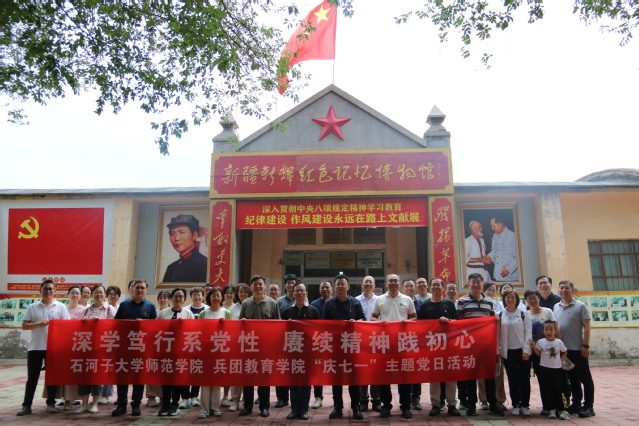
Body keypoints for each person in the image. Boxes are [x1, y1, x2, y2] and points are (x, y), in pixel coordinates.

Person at [17, 280, 71, 416]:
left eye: (51, 289)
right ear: (40, 291)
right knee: (32, 378)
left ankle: (51, 403)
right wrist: (39, 323)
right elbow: (24, 326)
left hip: (54, 347)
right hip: (35, 347)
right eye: (45, 289)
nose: (48, 291)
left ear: (55, 291)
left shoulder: (61, 307)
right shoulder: (32, 307)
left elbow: (67, 327)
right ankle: (26, 405)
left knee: (52, 377)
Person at [456, 273, 504, 416]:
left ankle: (492, 404)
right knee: (471, 376)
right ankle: (471, 405)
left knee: (489, 375)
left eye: (478, 282)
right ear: (468, 284)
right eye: (473, 282)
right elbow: (458, 323)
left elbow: (492, 323)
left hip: (486, 345)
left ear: (482, 284)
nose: (476, 284)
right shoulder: (462, 301)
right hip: (469, 345)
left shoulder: (489, 302)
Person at [372, 273, 417, 419]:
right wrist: (381, 323)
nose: (393, 283)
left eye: (395, 281)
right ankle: (386, 406)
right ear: (386, 284)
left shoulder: (407, 299)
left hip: (403, 343)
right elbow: (373, 317)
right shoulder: (379, 299)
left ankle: (405, 406)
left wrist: (407, 323)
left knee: (404, 376)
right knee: (385, 376)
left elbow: (414, 317)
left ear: (399, 283)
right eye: (390, 281)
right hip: (385, 343)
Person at [416, 277, 461, 417]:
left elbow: (456, 322)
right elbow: (420, 326)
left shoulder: (449, 304)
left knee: (450, 376)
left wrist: (448, 321)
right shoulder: (424, 305)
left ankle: (452, 404)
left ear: (443, 288)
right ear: (430, 288)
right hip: (432, 347)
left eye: (438, 285)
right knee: (434, 376)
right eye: (433, 285)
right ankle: (435, 404)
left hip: (449, 345)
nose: (436, 287)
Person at [112, 279, 157, 417]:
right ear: (133, 289)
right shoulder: (124, 305)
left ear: (146, 290)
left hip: (141, 348)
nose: (140, 290)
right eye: (137, 287)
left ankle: (136, 405)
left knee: (139, 377)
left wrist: (144, 324)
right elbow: (116, 324)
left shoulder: (150, 306)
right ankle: (121, 404)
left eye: (142, 288)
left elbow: (155, 328)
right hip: (124, 347)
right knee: (122, 376)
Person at [323, 273, 365, 420]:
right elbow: (325, 324)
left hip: (352, 346)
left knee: (353, 379)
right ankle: (338, 408)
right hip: (335, 347)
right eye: (338, 284)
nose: (340, 286)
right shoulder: (329, 304)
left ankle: (356, 408)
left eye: (343, 284)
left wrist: (356, 322)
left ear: (348, 287)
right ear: (335, 287)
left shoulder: (355, 302)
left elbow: (363, 319)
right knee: (337, 379)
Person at [239, 275, 280, 418]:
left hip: (265, 347)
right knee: (248, 378)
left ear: (265, 286)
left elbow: (277, 325)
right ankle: (247, 407)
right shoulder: (246, 303)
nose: (258, 286)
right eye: (255, 284)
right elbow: (240, 325)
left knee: (264, 378)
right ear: (251, 287)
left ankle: (264, 407)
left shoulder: (272, 303)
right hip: (249, 346)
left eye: (260, 284)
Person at [554, 280, 595, 418]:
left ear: (572, 290)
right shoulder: (556, 306)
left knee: (585, 378)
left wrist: (586, 345)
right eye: (561, 288)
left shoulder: (580, 306)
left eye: (567, 288)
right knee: (572, 379)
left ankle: (589, 406)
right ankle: (576, 403)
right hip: (564, 351)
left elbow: (587, 326)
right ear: (558, 290)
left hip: (578, 349)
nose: (564, 290)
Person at [75, 284, 116, 414]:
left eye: (101, 292)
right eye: (96, 292)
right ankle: (84, 404)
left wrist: (101, 322)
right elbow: (79, 327)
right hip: (86, 346)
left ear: (105, 295)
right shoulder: (87, 309)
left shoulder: (109, 309)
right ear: (92, 295)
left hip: (101, 347)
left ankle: (95, 404)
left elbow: (114, 326)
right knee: (84, 376)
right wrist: (83, 321)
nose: (98, 294)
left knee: (97, 376)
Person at [282, 282, 320, 420]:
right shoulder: (287, 311)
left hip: (307, 352)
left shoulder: (313, 311)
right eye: (297, 291)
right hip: (292, 351)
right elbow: (282, 332)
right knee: (293, 382)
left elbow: (318, 331)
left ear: (306, 294)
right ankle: (294, 409)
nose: (299, 293)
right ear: (293, 294)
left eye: (302, 291)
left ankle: (304, 409)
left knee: (305, 382)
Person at [156, 288, 194, 416]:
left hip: (180, 353)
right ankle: (165, 404)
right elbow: (156, 331)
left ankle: (175, 404)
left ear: (184, 299)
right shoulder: (163, 313)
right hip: (165, 352)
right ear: (171, 298)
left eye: (181, 296)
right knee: (166, 380)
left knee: (177, 380)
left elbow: (192, 333)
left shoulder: (188, 314)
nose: (178, 299)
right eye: (176, 296)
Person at [198, 287, 232, 418]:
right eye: (213, 296)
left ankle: (215, 408)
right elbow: (198, 332)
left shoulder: (226, 313)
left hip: (220, 351)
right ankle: (204, 409)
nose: (216, 298)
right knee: (205, 382)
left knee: (217, 381)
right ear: (209, 298)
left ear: (222, 298)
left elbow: (231, 331)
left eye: (218, 296)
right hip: (206, 351)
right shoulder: (203, 313)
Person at [524, 289, 559, 415]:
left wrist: (558, 346)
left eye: (535, 298)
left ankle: (557, 405)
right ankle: (546, 406)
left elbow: (556, 329)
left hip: (548, 352)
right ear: (526, 301)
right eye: (529, 298)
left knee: (552, 379)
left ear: (539, 298)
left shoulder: (547, 311)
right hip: (533, 352)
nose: (532, 300)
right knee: (542, 380)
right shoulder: (525, 314)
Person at [499, 289, 532, 416]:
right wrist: (499, 350)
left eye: (512, 297)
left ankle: (525, 405)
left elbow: (528, 333)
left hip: (522, 351)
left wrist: (526, 350)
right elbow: (498, 335)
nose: (510, 299)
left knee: (524, 378)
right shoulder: (500, 314)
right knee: (512, 379)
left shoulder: (523, 314)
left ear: (516, 299)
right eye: (507, 297)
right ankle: (516, 404)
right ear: (504, 299)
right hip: (508, 352)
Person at [531, 321, 570, 420]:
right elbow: (538, 353)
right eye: (546, 329)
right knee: (547, 389)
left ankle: (562, 409)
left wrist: (561, 361)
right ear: (543, 331)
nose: (549, 332)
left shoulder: (559, 342)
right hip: (544, 369)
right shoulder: (541, 342)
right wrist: (533, 346)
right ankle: (551, 409)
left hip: (557, 370)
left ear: (555, 331)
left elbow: (565, 352)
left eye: (551, 329)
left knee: (559, 389)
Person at [355, 276, 380, 413]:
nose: (368, 284)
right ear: (362, 285)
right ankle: (363, 400)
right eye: (366, 282)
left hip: (377, 340)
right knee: (362, 371)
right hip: (360, 341)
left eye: (371, 282)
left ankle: (376, 400)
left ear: (374, 285)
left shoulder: (380, 300)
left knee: (376, 371)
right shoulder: (355, 301)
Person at [275, 273, 300, 409]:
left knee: (296, 369)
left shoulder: (303, 299)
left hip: (298, 340)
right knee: (282, 369)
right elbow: (277, 320)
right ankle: (282, 398)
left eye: (293, 283)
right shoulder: (279, 301)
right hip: (282, 339)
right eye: (288, 283)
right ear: (285, 285)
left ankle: (296, 398)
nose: (291, 285)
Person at [181, 286, 208, 408]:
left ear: (203, 296)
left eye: (199, 295)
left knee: (196, 371)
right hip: (187, 345)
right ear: (191, 297)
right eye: (194, 295)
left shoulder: (207, 310)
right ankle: (185, 398)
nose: (197, 297)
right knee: (185, 372)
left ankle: (194, 397)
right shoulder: (186, 310)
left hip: (201, 346)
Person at [162, 214, 207, 282]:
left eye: (182, 232)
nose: (176, 238)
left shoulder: (204, 264)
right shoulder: (171, 267)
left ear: (194, 235)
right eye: (172, 234)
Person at [310, 280, 333, 409]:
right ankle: (318, 397)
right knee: (317, 370)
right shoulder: (314, 304)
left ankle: (337, 398)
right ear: (319, 290)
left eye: (327, 287)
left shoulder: (336, 302)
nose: (325, 289)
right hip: (318, 341)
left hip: (335, 342)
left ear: (331, 289)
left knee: (335, 369)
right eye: (322, 287)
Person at [401, 278, 423, 411]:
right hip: (402, 341)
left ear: (415, 288)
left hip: (416, 341)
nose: (409, 288)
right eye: (407, 286)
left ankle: (416, 398)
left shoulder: (421, 303)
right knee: (403, 370)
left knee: (416, 370)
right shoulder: (399, 300)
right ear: (403, 289)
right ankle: (404, 399)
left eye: (411, 286)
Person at [100, 285, 122, 404]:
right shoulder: (103, 307)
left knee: (113, 369)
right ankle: (100, 393)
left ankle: (107, 394)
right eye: (110, 294)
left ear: (119, 296)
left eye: (115, 294)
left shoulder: (121, 308)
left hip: (116, 342)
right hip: (103, 341)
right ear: (106, 295)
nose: (113, 296)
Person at [485, 216, 519, 281]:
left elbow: (518, 257)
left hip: (511, 278)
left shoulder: (513, 236)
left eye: (493, 226)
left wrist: (508, 268)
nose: (492, 228)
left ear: (500, 224)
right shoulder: (495, 236)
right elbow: (494, 251)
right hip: (497, 276)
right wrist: (489, 257)